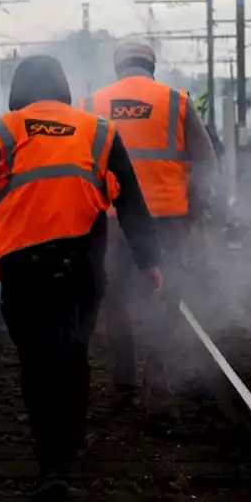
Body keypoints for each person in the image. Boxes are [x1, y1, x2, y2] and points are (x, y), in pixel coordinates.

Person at [0, 55, 162, 502]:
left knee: (37, 362)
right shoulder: (99, 131)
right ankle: (66, 454)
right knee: (73, 355)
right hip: (82, 264)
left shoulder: (1, 132)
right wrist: (150, 262)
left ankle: (49, 461)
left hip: (23, 269)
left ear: (17, 91)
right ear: (65, 89)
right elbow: (132, 204)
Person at [83, 39, 222, 420]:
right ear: (151, 67)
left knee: (114, 300)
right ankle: (157, 389)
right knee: (166, 299)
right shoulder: (177, 101)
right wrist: (195, 211)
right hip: (168, 222)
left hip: (112, 223)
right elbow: (206, 163)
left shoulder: (92, 104)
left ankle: (122, 383)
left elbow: (80, 167)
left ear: (118, 68)